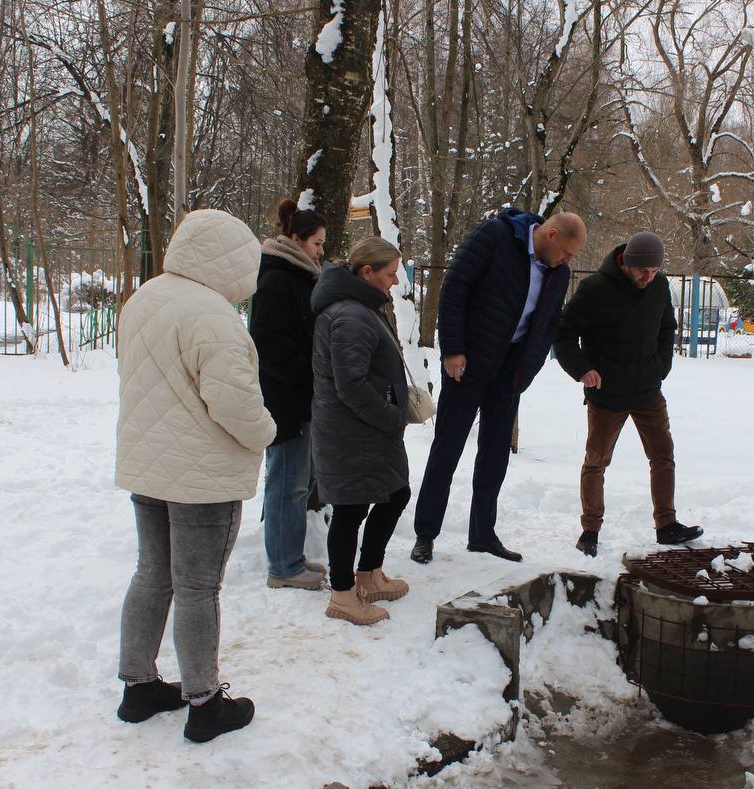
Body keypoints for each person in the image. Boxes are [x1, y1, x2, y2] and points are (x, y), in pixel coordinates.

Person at [114, 209, 276, 742]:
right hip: (202, 477)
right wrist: (267, 433)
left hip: (150, 467)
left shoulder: (146, 299)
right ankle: (205, 703)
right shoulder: (212, 315)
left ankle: (139, 686)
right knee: (198, 587)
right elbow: (233, 403)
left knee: (151, 574)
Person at [410, 209, 587, 564]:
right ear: (551, 235)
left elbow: (548, 323)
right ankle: (425, 534)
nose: (569, 261)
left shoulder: (559, 272)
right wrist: (454, 349)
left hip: (510, 371)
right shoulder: (495, 236)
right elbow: (455, 288)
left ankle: (482, 535)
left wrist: (528, 370)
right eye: (568, 252)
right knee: (448, 447)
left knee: (494, 455)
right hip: (468, 362)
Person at [554, 231, 703, 557]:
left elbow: (667, 327)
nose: (649, 278)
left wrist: (661, 365)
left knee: (663, 455)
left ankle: (666, 525)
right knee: (596, 462)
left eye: (654, 271)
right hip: (606, 394)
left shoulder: (659, 286)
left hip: (648, 390)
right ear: (627, 264)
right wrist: (582, 369)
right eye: (643, 271)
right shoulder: (594, 289)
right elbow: (563, 334)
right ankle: (590, 530)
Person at [310, 236, 412, 625]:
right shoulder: (350, 315)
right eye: (389, 274)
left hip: (365, 429)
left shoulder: (359, 308)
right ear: (367, 272)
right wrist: (389, 415)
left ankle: (368, 574)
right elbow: (350, 384)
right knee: (351, 508)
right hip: (353, 430)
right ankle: (342, 594)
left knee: (394, 494)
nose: (394, 282)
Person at [249, 198, 328, 590]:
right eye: (316, 243)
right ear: (296, 239)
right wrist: (309, 375)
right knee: (286, 482)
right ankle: (282, 566)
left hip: (300, 396)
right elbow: (268, 343)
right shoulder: (277, 278)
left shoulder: (298, 275)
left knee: (297, 483)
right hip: (285, 400)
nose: (321, 251)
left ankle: (291, 557)